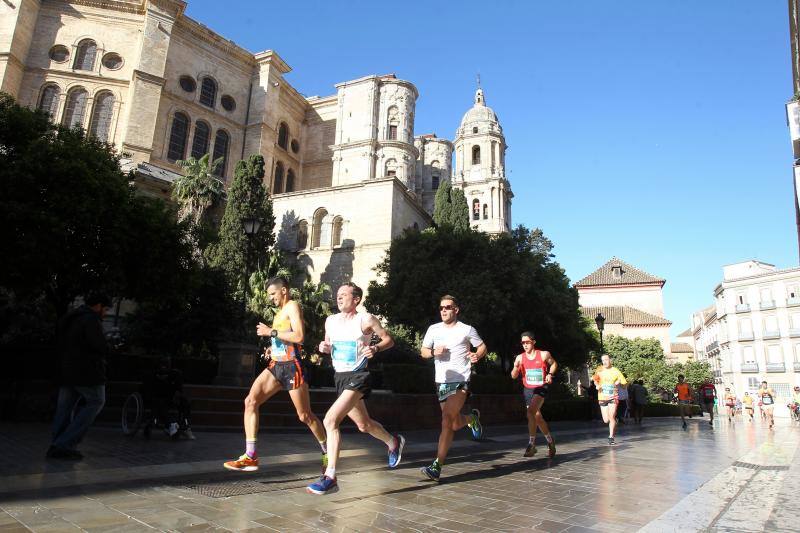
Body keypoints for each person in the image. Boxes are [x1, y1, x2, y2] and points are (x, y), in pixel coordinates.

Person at [306, 283, 404, 495]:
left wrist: (375, 347)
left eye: (344, 295)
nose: (339, 297)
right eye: (338, 295)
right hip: (340, 377)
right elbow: (328, 345)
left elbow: (389, 340)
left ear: (356, 299)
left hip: (359, 376)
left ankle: (330, 476)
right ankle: (393, 441)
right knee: (364, 425)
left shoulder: (365, 319)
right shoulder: (330, 321)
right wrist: (324, 347)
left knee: (330, 420)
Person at [224, 277, 327, 472]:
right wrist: (274, 347)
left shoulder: (292, 306)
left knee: (305, 415)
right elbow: (284, 338)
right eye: (269, 295)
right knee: (250, 401)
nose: (271, 298)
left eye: (273, 294)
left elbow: (299, 337)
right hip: (276, 365)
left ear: (284, 291)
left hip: (292, 367)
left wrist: (270, 332)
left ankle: (326, 451)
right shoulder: (279, 313)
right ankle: (251, 456)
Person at [420, 295, 486, 481]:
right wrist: (434, 352)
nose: (443, 310)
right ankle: (472, 418)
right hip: (441, 381)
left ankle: (437, 466)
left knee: (446, 419)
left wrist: (477, 355)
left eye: (448, 307)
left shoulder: (467, 329)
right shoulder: (433, 329)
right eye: (441, 307)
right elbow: (423, 352)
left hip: (460, 380)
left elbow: (482, 347)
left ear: (456, 310)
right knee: (454, 423)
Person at [48, 292, 112, 460]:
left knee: (64, 408)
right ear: (98, 306)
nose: (105, 313)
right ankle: (64, 444)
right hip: (87, 372)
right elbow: (99, 346)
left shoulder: (70, 318)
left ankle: (56, 444)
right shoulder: (90, 320)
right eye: (105, 309)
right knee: (97, 400)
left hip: (65, 371)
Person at [510, 331, 557, 458]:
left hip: (541, 387)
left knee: (530, 412)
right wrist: (515, 367)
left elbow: (554, 364)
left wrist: (550, 374)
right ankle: (550, 441)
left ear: (533, 342)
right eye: (523, 343)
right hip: (528, 390)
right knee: (537, 417)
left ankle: (531, 445)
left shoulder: (543, 354)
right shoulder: (520, 358)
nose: (525, 345)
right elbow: (513, 376)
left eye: (527, 342)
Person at [144, 357, 194, 439]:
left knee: (185, 402)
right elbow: (147, 390)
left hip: (170, 398)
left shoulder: (175, 374)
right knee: (160, 404)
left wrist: (177, 395)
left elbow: (179, 388)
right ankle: (170, 425)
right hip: (157, 399)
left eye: (166, 364)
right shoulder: (152, 374)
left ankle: (185, 426)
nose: (164, 367)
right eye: (162, 364)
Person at [592, 354, 627, 445]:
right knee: (606, 420)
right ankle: (614, 421)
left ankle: (611, 437)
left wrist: (619, 383)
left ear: (610, 360)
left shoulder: (616, 371)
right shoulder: (599, 369)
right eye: (603, 360)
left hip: (613, 397)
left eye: (606, 360)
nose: (604, 362)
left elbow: (624, 385)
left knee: (611, 417)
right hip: (602, 397)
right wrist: (597, 385)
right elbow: (595, 380)